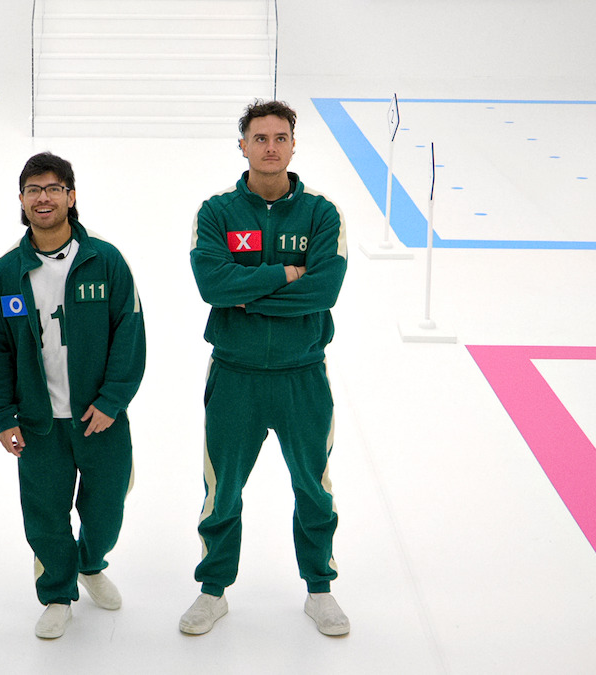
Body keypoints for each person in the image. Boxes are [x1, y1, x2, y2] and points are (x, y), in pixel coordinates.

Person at [179, 100, 350, 637]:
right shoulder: (216, 213)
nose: (270, 146)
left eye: (280, 137)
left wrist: (249, 295)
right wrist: (286, 274)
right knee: (221, 488)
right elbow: (212, 286)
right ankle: (213, 591)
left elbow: (325, 290)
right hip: (235, 374)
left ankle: (319, 589)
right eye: (260, 137)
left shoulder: (323, 214)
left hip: (304, 375)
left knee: (314, 488)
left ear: (294, 145)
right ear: (243, 145)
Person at [0, 152, 146, 639]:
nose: (44, 197)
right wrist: (3, 415)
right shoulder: (8, 272)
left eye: (53, 188)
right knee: (46, 513)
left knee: (106, 507)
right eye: (34, 190)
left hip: (100, 418)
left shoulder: (106, 261)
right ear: (22, 201)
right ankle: (56, 591)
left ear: (71, 197)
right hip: (38, 422)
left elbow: (130, 333)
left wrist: (112, 400)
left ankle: (91, 565)